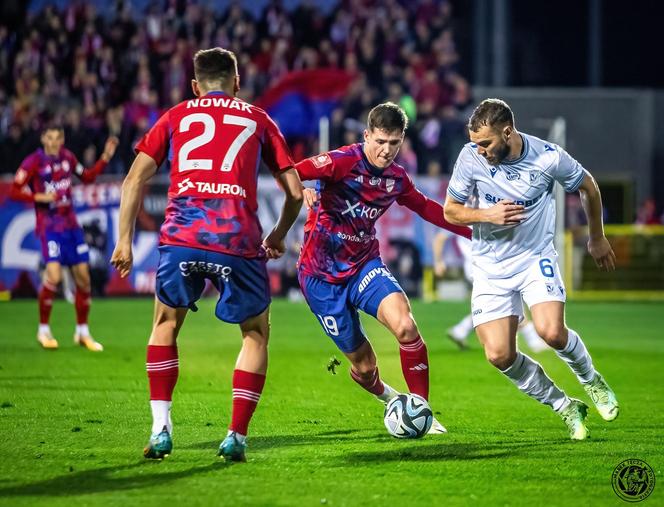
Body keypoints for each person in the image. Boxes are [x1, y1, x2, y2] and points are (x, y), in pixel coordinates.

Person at [110, 47, 303, 462]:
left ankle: (161, 429)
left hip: (182, 236)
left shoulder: (176, 116)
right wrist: (280, 234)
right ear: (237, 82)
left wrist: (123, 240)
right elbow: (296, 192)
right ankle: (235, 435)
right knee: (255, 333)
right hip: (236, 239)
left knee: (164, 322)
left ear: (196, 87)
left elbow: (132, 180)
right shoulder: (258, 119)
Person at [444, 98, 619, 440]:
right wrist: (487, 215)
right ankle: (565, 406)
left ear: (507, 132)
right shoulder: (470, 157)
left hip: (534, 257)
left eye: (485, 143)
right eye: (475, 143)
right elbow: (451, 211)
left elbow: (589, 187)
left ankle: (590, 380)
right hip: (491, 265)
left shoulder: (547, 157)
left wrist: (597, 237)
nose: (479, 150)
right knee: (498, 354)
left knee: (551, 332)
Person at [295, 102, 471, 434]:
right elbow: (290, 170)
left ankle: (421, 410)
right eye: (380, 141)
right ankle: (390, 396)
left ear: (402, 140)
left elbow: (428, 209)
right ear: (367, 136)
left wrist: (475, 232)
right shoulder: (343, 161)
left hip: (364, 265)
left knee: (405, 326)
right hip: (320, 277)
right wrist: (302, 187)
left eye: (394, 143)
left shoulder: (396, 178)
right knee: (364, 367)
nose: (386, 151)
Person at [10, 126, 118, 351]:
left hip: (71, 226)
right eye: (50, 138)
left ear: (62, 139)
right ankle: (43, 330)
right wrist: (40, 196)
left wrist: (105, 157)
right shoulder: (33, 162)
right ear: (43, 139)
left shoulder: (68, 157)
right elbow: (14, 190)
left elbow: (87, 177)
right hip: (50, 227)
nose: (54, 142)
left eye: (58, 138)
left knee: (84, 279)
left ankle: (82, 332)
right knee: (54, 276)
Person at [432, 231, 548, 352]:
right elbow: (440, 238)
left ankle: (460, 330)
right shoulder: (468, 215)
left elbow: (440, 237)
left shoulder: (464, 215)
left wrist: (438, 262)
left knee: (493, 303)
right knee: (510, 299)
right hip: (485, 266)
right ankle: (533, 340)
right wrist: (439, 262)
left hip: (477, 267)